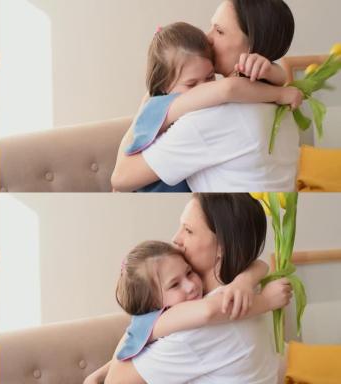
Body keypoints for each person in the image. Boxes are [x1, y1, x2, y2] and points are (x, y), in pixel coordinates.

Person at [99, 193, 289, 383]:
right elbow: (258, 264)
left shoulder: (193, 332)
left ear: (221, 247)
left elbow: (114, 381)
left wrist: (153, 326)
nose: (176, 239)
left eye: (188, 230)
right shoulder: (242, 286)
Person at [111, 0, 299, 192]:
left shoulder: (212, 117)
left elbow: (120, 177)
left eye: (219, 31)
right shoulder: (281, 110)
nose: (207, 38)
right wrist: (279, 88)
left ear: (251, 45)